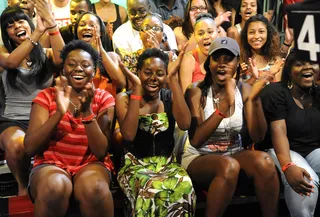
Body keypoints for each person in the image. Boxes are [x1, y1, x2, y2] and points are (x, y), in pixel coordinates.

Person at [181, 37, 279, 217]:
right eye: (216, 59)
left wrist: (255, 99)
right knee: (229, 165)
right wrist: (224, 106)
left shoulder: (245, 90)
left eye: (228, 60)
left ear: (237, 64)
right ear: (208, 63)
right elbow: (196, 140)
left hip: (234, 152)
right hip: (199, 156)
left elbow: (257, 137)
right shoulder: (196, 90)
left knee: (265, 162)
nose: (222, 64)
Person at [24, 40, 115, 217]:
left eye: (85, 65)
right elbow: (30, 148)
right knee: (55, 186)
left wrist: (87, 113)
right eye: (71, 64)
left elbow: (101, 151)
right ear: (63, 69)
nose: (78, 69)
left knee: (94, 188)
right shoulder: (47, 96)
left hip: (91, 163)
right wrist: (59, 112)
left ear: (94, 71)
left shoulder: (104, 99)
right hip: (50, 163)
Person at [116, 48, 196, 216]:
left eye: (160, 73)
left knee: (185, 184)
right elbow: (129, 135)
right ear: (138, 73)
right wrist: (137, 90)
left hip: (167, 164)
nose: (153, 78)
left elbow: (185, 123)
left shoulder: (169, 97)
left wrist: (173, 79)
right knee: (151, 186)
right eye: (147, 73)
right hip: (135, 166)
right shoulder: (124, 99)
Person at [0, 0, 64, 196]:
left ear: (29, 22)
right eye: (10, 25)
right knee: (18, 146)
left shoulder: (45, 53)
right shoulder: (3, 53)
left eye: (21, 21)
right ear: (6, 33)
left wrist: (51, 24)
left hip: (45, 116)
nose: (17, 26)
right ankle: (22, 185)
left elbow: (64, 59)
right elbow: (11, 62)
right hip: (14, 119)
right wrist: (37, 32)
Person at [257, 49, 320, 217]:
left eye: (312, 63)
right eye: (299, 64)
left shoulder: (318, 93)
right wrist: (288, 166)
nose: (307, 68)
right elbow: (279, 132)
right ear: (289, 71)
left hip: (312, 151)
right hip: (279, 150)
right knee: (306, 181)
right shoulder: (276, 92)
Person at [74, 12, 126, 96]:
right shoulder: (71, 57)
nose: (87, 28)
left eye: (92, 25)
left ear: (101, 32)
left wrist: (100, 51)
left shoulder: (111, 56)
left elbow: (121, 83)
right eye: (82, 25)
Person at [112, 0, 178, 57]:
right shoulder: (120, 34)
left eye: (142, 11)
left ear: (149, 8)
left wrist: (158, 51)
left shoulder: (164, 29)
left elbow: (173, 58)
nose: (137, 16)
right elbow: (125, 63)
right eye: (132, 13)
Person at [179, 13, 218, 93]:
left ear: (217, 33)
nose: (206, 37)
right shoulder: (189, 60)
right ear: (195, 37)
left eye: (210, 32)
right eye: (201, 34)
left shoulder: (224, 56)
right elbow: (186, 96)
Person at [240, 14, 284, 84]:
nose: (256, 36)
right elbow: (236, 92)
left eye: (261, 31)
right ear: (246, 35)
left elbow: (277, 92)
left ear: (268, 34)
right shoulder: (240, 60)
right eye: (251, 32)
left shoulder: (276, 61)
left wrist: (271, 75)